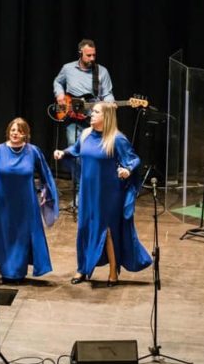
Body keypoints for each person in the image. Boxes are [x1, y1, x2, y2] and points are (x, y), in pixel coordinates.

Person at [53, 102, 152, 286]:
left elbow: (133, 159)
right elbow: (75, 150)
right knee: (84, 228)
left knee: (107, 231)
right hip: (88, 192)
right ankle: (82, 269)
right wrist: (62, 153)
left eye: (96, 112)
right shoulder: (85, 135)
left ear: (105, 117)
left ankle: (113, 271)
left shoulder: (116, 139)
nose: (91, 114)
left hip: (108, 194)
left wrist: (127, 171)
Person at [0, 118, 59, 284]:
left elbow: (45, 174)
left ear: (26, 134)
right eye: (13, 130)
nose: (15, 133)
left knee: (22, 237)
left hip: (25, 203)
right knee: (5, 236)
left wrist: (46, 189)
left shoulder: (33, 151)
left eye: (20, 131)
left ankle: (18, 273)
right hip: (2, 204)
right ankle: (7, 273)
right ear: (8, 131)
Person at [53, 39, 115, 189]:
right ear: (80, 53)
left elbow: (108, 94)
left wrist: (110, 103)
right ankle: (80, 189)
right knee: (74, 152)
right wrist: (60, 94)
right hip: (72, 118)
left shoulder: (102, 71)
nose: (92, 58)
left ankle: (95, 187)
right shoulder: (68, 68)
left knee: (96, 153)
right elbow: (57, 82)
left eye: (94, 55)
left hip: (94, 119)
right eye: (88, 55)